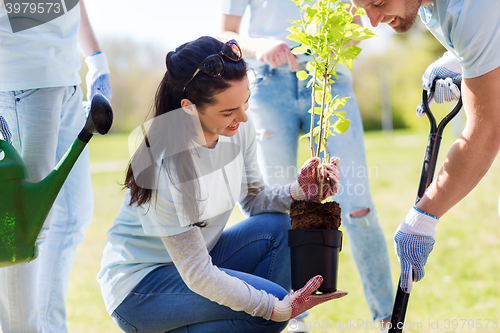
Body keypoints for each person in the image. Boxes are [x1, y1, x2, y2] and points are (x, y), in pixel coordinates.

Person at [97, 36, 347, 333]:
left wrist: (300, 192)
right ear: (189, 108)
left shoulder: (239, 128)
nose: (242, 117)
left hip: (201, 260)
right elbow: (198, 275)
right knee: (271, 308)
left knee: (280, 229)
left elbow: (255, 201)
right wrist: (272, 308)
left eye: (245, 103)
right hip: (140, 289)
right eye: (228, 111)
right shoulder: (163, 166)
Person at [220, 0, 394, 330]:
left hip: (329, 79)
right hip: (268, 85)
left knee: (358, 205)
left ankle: (388, 320)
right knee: (278, 211)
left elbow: (359, 21)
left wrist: (336, 42)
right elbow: (225, 34)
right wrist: (259, 46)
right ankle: (293, 319)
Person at [348, 0, 500, 293]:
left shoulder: (468, 8)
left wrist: (423, 217)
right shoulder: (430, 9)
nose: (374, 20)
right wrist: (458, 59)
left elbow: (487, 131)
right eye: (364, 7)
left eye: (378, 3)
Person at [0, 1, 111, 332]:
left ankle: (50, 327)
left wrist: (97, 60)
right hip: (21, 78)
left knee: (73, 215)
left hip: (63, 77)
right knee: (22, 230)